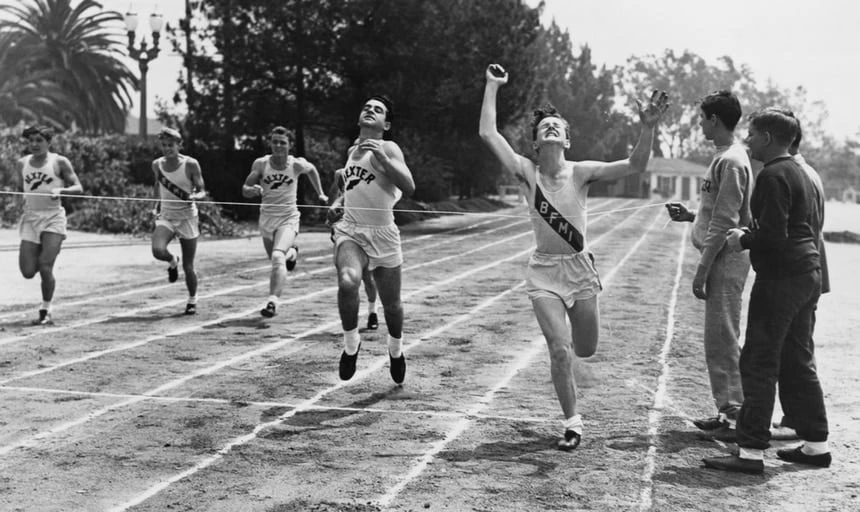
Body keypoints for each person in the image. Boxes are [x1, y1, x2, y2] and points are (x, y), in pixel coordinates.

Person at [479, 63, 669, 450]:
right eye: (544, 125)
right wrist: (492, 85)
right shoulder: (526, 171)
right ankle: (573, 423)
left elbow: (635, 166)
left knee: (586, 349)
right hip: (545, 273)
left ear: (566, 139)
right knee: (560, 349)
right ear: (535, 142)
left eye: (558, 126)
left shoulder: (581, 172)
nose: (551, 126)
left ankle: (573, 406)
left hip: (580, 270)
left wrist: (647, 127)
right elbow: (487, 132)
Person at [704, 109, 831, 474]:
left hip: (781, 278)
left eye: (754, 133)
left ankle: (750, 452)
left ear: (770, 139)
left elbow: (774, 236)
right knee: (797, 360)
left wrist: (742, 239)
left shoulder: (775, 175)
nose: (748, 139)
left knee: (758, 362)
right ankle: (816, 445)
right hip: (808, 274)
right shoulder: (801, 172)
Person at [665, 91, 753, 442]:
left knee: (723, 337)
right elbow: (716, 210)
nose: (700, 124)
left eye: (702, 118)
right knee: (718, 338)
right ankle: (728, 408)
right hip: (721, 256)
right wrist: (691, 216)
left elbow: (727, 220)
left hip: (725, 261)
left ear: (715, 120)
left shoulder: (731, 160)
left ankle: (735, 414)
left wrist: (702, 270)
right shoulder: (724, 158)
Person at [333, 95, 414, 384]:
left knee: (392, 305)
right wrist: (339, 200)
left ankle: (395, 350)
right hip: (351, 230)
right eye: (366, 107)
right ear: (359, 118)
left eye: (377, 110)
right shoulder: (352, 149)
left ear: (386, 123)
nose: (370, 110)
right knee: (347, 281)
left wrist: (381, 157)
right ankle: (351, 345)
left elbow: (409, 184)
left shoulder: (388, 147)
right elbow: (353, 183)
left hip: (383, 235)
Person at [770, 114, 830, 441]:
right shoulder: (806, 172)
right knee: (797, 347)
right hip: (809, 267)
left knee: (795, 350)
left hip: (799, 270)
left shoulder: (794, 174)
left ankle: (800, 421)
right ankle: (799, 420)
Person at [243, 126, 328, 318]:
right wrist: (252, 190)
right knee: (277, 257)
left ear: (289, 145)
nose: (278, 146)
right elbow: (245, 188)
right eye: (275, 142)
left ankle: (273, 301)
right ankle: (292, 253)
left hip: (288, 218)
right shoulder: (261, 164)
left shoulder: (296, 165)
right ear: (270, 144)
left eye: (283, 142)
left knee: (276, 257)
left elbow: (312, 170)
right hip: (266, 218)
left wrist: (320, 193)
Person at [15, 125, 83, 325]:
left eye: (39, 140)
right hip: (30, 218)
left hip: (53, 217)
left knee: (45, 266)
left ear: (48, 142)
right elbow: (21, 189)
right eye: (31, 141)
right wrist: (18, 202)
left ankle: (46, 309)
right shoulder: (22, 163)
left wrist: (61, 192)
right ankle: (42, 254)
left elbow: (78, 187)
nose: (34, 145)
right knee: (28, 271)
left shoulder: (59, 161)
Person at [151, 127, 207, 315]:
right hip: (166, 216)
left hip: (187, 218)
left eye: (171, 145)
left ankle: (192, 299)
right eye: (164, 145)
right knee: (158, 250)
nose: (167, 149)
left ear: (179, 145)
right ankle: (171, 259)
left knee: (188, 265)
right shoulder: (157, 164)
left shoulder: (191, 164)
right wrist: (155, 206)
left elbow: (201, 189)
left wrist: (196, 196)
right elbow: (157, 186)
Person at [328, 167, 380, 331]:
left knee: (368, 278)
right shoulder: (340, 174)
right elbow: (337, 196)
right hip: (345, 230)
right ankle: (351, 321)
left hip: (368, 228)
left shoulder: (376, 173)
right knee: (348, 276)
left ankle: (373, 311)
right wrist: (332, 211)